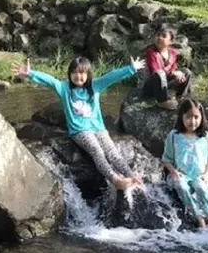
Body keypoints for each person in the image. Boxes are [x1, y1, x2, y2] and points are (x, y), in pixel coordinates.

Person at [13, 56, 146, 190]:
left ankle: (131, 175)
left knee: (112, 151)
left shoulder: (95, 85)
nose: (78, 76)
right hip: (79, 130)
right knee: (97, 151)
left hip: (98, 128)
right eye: (74, 72)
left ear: (88, 74)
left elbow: (111, 77)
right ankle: (115, 180)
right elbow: (50, 81)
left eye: (82, 73)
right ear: (70, 74)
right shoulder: (64, 88)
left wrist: (131, 69)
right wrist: (30, 73)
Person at [162, 99, 208, 229]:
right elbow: (166, 159)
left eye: (196, 117)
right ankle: (198, 216)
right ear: (181, 117)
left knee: (200, 186)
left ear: (201, 117)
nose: (192, 121)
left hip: (199, 175)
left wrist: (206, 175)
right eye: (188, 117)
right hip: (181, 174)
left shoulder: (204, 136)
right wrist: (173, 171)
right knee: (181, 186)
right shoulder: (174, 136)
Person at [142, 25, 193, 110]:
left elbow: (172, 69)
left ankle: (181, 98)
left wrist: (178, 75)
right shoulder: (152, 52)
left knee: (186, 72)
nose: (160, 38)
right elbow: (156, 71)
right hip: (152, 86)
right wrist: (173, 73)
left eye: (164, 36)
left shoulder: (173, 53)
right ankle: (162, 102)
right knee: (160, 73)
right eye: (158, 35)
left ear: (171, 41)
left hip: (165, 84)